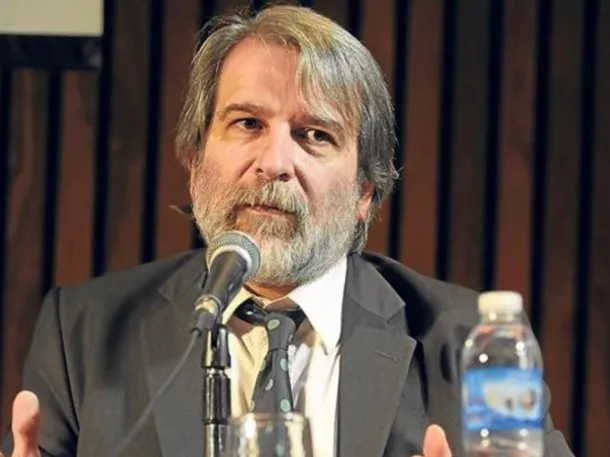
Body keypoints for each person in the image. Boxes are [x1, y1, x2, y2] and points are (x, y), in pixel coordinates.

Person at [1, 5, 574, 457]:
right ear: (195, 162)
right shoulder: (84, 333)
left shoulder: (470, 342)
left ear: (364, 192)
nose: (275, 162)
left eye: (315, 135)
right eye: (248, 123)